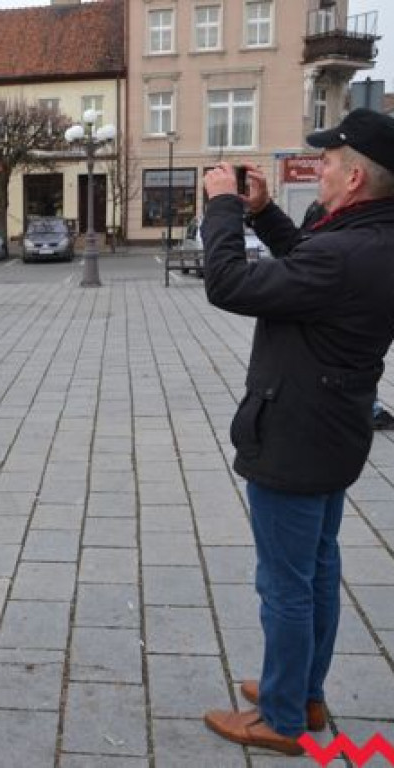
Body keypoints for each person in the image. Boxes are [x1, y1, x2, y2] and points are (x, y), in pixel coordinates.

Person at [199, 108, 394, 756]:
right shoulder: (373, 237)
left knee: (284, 583)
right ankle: (305, 693)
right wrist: (264, 214)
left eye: (331, 162)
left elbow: (229, 283)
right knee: (316, 567)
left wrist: (223, 207)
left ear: (357, 178)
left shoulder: (346, 251)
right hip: (335, 430)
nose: (322, 170)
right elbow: (312, 267)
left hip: (297, 435)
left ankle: (281, 718)